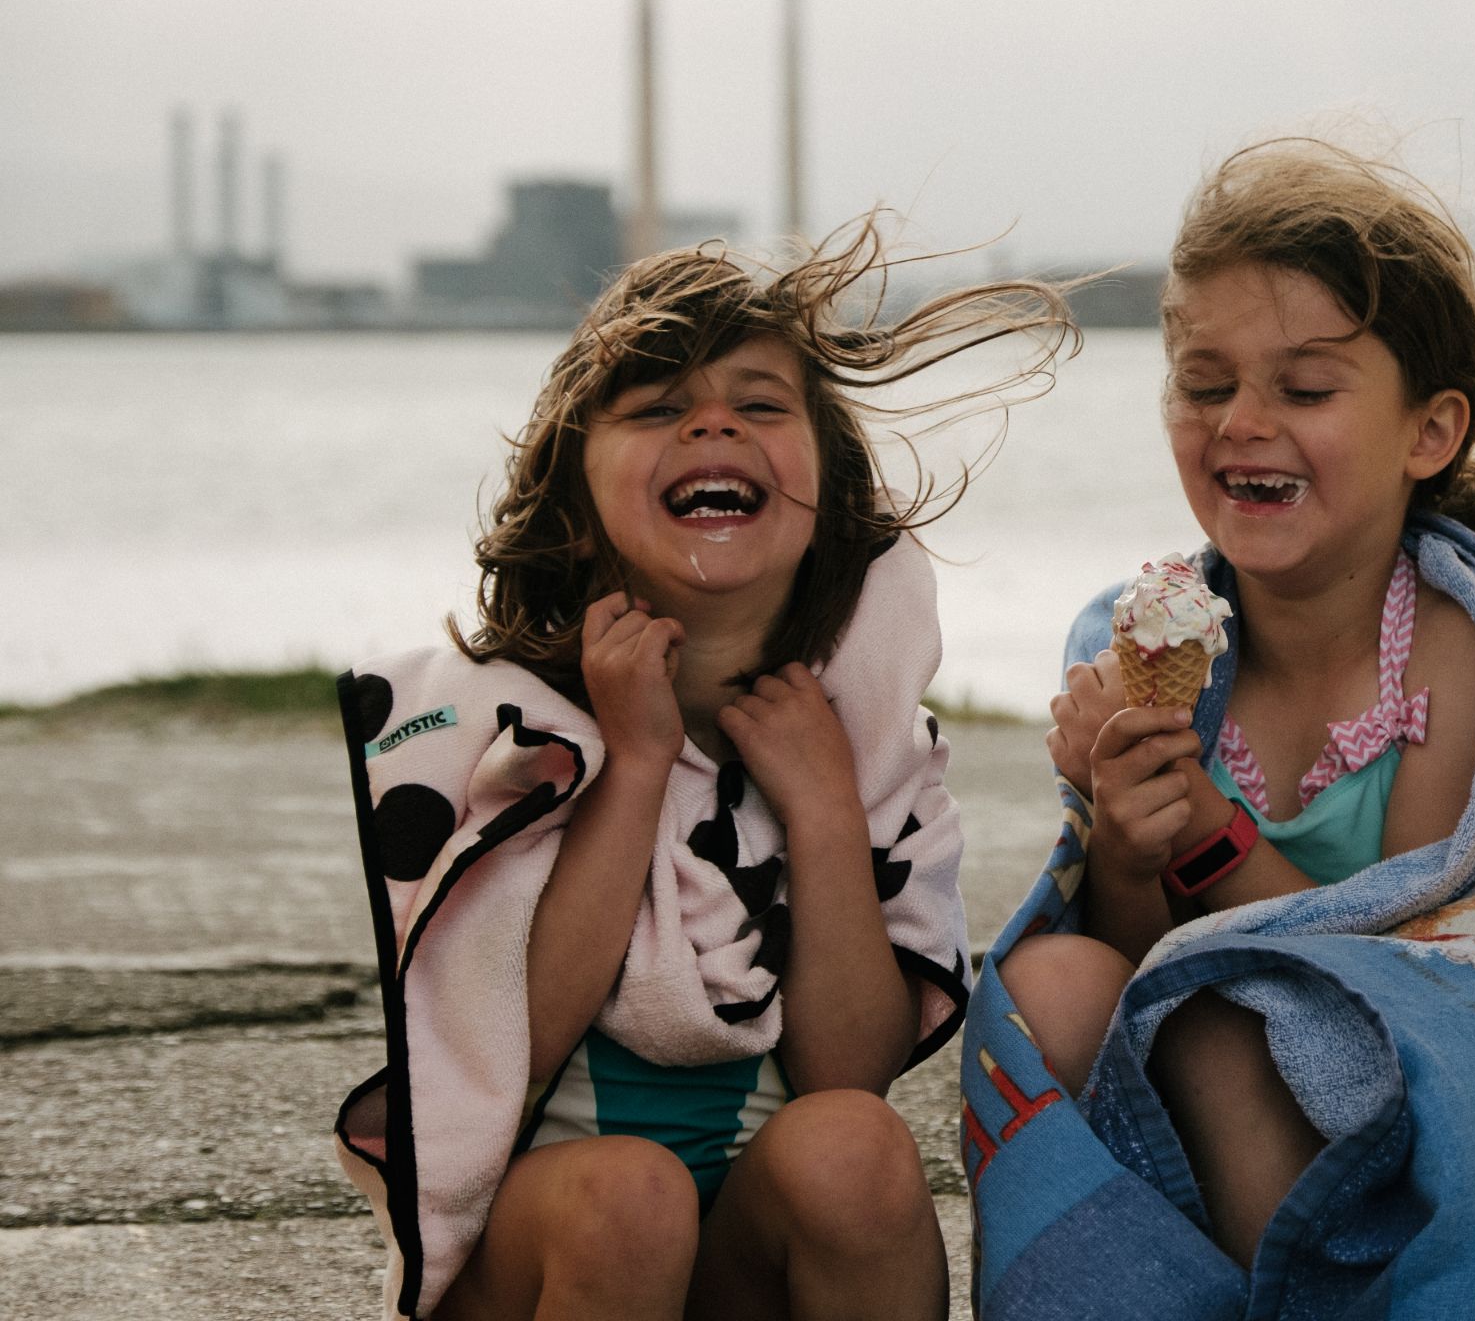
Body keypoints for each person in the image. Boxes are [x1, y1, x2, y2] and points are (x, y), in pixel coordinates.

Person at [962, 139, 1475, 1321]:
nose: (1243, 423)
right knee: (1055, 979)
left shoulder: (1462, 657)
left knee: (1219, 1028)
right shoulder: (1150, 649)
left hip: (1425, 1116)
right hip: (1212, 1113)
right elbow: (1144, 966)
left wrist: (1206, 829)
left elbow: (1411, 965)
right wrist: (1129, 848)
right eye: (1204, 385)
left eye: (1304, 390)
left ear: (1428, 431)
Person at [331, 234, 1071, 1321]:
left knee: (859, 1146)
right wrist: (633, 764)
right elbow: (508, 1046)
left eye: (760, 405)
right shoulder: (512, 738)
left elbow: (849, 1070)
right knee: (630, 1196)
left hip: (742, 1254)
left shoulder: (867, 744)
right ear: (575, 506)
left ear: (828, 494)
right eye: (657, 407)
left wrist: (823, 809)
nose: (714, 425)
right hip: (541, 1253)